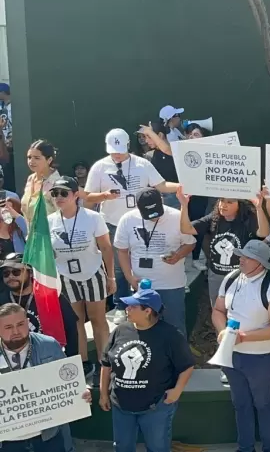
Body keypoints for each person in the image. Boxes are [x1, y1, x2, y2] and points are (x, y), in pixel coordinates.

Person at [84, 128, 179, 323]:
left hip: (140, 222)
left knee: (139, 263)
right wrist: (104, 196)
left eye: (119, 150)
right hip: (111, 223)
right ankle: (120, 304)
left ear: (128, 146)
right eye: (112, 151)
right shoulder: (100, 167)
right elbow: (87, 197)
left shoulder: (142, 164)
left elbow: (161, 186)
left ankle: (143, 301)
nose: (116, 155)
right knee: (118, 266)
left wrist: (183, 186)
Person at [99, 287, 194, 452]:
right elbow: (106, 363)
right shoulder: (120, 330)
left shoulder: (170, 335)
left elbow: (187, 366)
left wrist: (177, 391)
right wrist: (103, 394)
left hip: (155, 407)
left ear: (148, 311)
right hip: (121, 405)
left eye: (132, 306)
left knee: (158, 447)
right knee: (122, 447)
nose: (127, 309)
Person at [213, 240, 270, 452]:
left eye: (247, 257)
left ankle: (269, 448)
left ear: (260, 264)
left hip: (259, 358)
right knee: (240, 404)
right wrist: (222, 332)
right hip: (231, 354)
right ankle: (245, 448)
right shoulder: (231, 278)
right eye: (241, 255)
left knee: (262, 404)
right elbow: (218, 310)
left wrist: (243, 337)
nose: (241, 259)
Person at [0, 303, 93, 452]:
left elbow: (69, 381)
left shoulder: (48, 345)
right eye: (8, 327)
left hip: (47, 436)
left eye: (20, 324)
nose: (16, 331)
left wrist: (81, 391)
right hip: (8, 441)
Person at [49, 176, 115, 379]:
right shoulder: (49, 221)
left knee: (97, 318)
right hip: (65, 277)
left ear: (76, 195)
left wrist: (111, 277)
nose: (59, 197)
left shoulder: (93, 217)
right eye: (55, 193)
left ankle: (105, 363)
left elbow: (105, 247)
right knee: (75, 321)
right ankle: (83, 362)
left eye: (63, 193)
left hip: (93, 272)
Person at [113, 188, 196, 334]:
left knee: (174, 328)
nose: (153, 218)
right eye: (148, 214)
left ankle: (177, 357)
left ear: (162, 201)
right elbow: (122, 251)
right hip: (141, 286)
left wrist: (178, 255)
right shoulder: (127, 219)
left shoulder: (177, 216)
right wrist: (129, 277)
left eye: (157, 212)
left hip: (171, 286)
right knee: (143, 329)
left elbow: (190, 243)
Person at [178, 187, 269, 304]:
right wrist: (184, 206)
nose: (223, 205)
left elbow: (264, 233)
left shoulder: (247, 220)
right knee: (217, 311)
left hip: (240, 276)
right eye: (221, 200)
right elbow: (186, 229)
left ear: (240, 205)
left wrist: (259, 208)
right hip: (216, 275)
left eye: (229, 202)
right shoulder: (213, 218)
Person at [0, 252, 79, 358]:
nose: (10, 277)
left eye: (16, 272)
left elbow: (72, 327)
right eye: (6, 274)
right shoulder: (2, 300)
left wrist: (75, 358)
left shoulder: (50, 296)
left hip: (49, 355)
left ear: (31, 273)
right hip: (14, 359)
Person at [21, 140, 62, 223]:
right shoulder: (30, 179)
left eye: (37, 158)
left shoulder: (58, 183)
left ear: (49, 160)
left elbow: (63, 217)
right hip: (30, 234)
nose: (31, 161)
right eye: (29, 157)